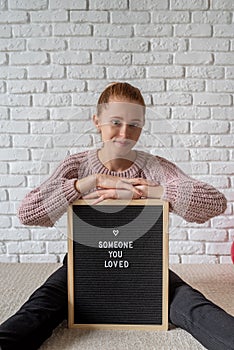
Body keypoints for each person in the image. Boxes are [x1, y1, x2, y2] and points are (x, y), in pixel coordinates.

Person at [0, 82, 233, 350]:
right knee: (38, 308)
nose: (124, 133)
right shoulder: (76, 166)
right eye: (115, 122)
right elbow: (28, 212)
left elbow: (215, 202)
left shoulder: (153, 167)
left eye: (134, 124)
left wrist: (155, 192)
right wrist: (86, 184)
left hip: (145, 265)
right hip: (84, 266)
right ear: (97, 121)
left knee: (194, 306)